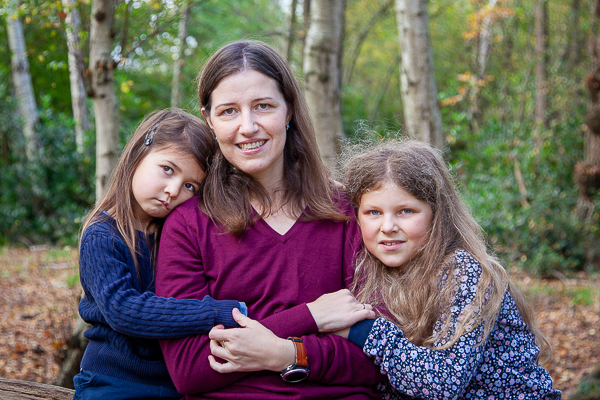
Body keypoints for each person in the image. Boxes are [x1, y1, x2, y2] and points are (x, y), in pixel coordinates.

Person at [155, 40, 381, 399]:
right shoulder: (187, 226)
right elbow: (191, 371)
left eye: (263, 106)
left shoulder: (346, 212)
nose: (248, 127)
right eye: (229, 111)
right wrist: (310, 318)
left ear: (289, 110)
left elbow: (378, 357)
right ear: (209, 119)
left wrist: (285, 354)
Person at [331, 140, 562, 399]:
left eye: (406, 211)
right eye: (373, 212)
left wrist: (363, 331)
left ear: (436, 214)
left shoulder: (463, 272)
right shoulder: (371, 272)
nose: (388, 226)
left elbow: (443, 382)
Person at [74, 109, 247, 400]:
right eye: (167, 169)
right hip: (112, 381)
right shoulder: (102, 235)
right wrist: (217, 312)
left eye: (190, 186)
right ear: (139, 153)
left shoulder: (177, 233)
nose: (172, 190)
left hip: (174, 382)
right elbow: (123, 310)